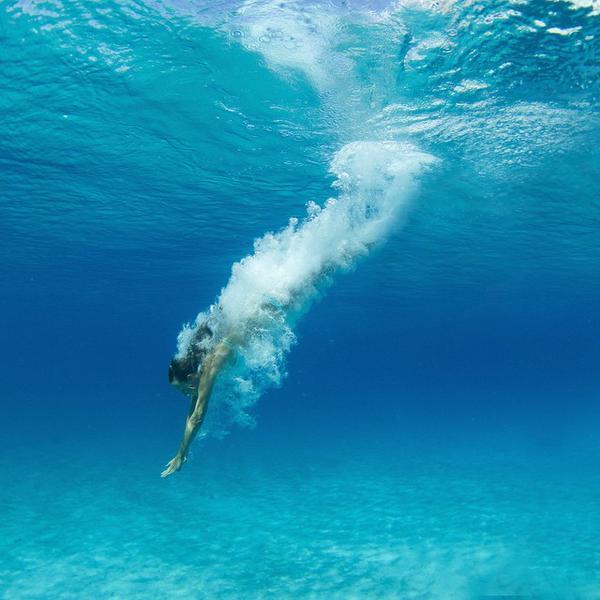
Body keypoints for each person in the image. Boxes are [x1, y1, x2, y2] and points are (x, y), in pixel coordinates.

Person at [161, 324, 235, 478]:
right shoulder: (198, 371)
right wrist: (183, 450)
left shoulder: (209, 366)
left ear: (190, 378)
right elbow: (192, 413)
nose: (185, 393)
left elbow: (198, 416)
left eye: (183, 389)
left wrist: (181, 454)